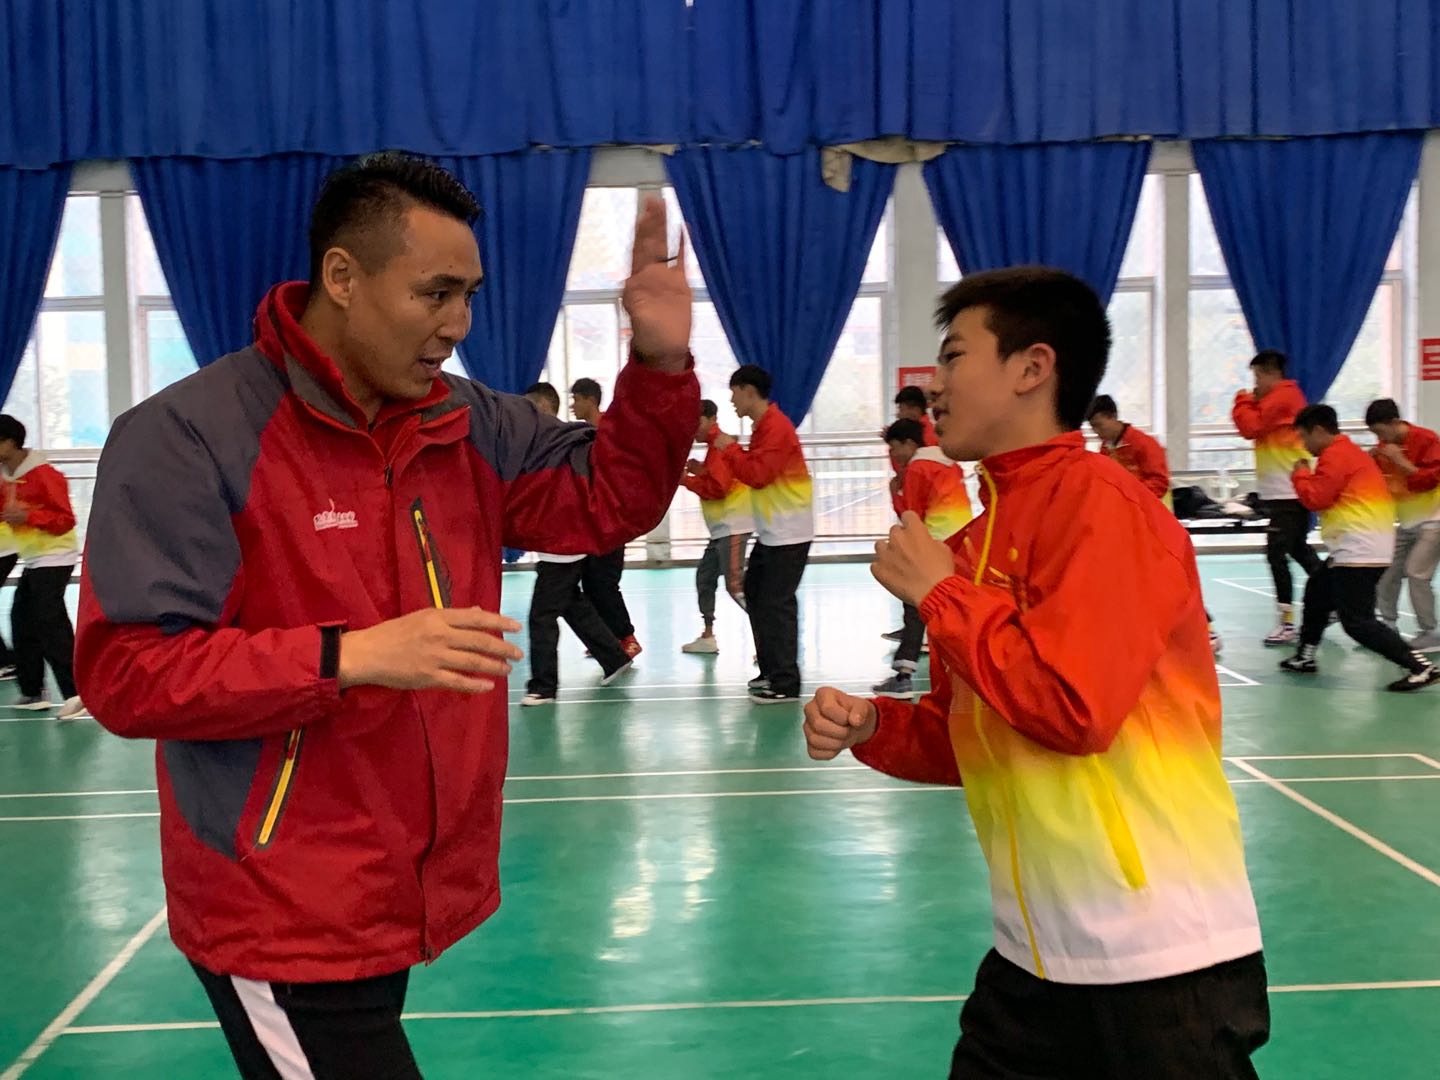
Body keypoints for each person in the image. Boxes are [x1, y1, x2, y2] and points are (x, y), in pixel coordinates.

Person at [75, 153, 699, 1078]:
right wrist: (349, 657)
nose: (458, 323)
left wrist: (660, 363)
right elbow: (129, 673)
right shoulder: (190, 439)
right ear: (342, 276)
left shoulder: (466, 423)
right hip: (279, 905)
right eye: (434, 293)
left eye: (469, 295)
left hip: (390, 886)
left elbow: (607, 499)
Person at [803, 268, 1268, 1078]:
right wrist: (875, 725)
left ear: (1032, 367)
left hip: (1158, 958)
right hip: (1036, 956)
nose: (934, 385)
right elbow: (982, 732)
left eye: (954, 356)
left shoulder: (1105, 509)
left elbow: (1073, 710)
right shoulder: (977, 540)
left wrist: (940, 595)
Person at [1281, 405, 1439, 691]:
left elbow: (1317, 498)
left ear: (1319, 431)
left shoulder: (1337, 455)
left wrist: (1300, 475)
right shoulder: (1346, 453)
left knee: (1357, 622)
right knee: (1317, 593)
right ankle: (1305, 656)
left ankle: (1420, 666)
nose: (1303, 445)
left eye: (1304, 437)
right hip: (1355, 544)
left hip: (1360, 548)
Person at [520, 382, 634, 705]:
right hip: (557, 540)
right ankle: (613, 656)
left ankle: (543, 686)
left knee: (542, 616)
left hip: (564, 541)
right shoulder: (542, 442)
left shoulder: (561, 443)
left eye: (529, 408)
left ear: (544, 407)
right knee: (570, 602)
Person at [1087, 394, 1222, 657]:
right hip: (1128, 526)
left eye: (1099, 425)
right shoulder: (1106, 449)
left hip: (1156, 526)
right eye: (1093, 428)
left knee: (1171, 581)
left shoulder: (1144, 444)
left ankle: (1207, 630)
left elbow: (1159, 482)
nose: (1097, 432)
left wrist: (1128, 496)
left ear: (1113, 417)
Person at [716, 365, 813, 704]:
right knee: (756, 595)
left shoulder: (776, 428)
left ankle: (785, 682)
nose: (732, 400)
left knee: (776, 604)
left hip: (789, 532)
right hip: (773, 531)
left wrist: (729, 449)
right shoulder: (763, 427)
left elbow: (758, 475)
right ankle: (771, 670)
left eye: (734, 393)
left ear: (748, 391)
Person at [871, 418, 971, 700]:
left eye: (894, 448)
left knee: (915, 608)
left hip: (935, 542)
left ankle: (903, 677)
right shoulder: (947, 461)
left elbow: (911, 515)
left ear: (909, 443)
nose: (894, 455)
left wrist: (895, 493)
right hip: (961, 541)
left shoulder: (917, 468)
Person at [1232, 350, 1321, 645]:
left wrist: (1242, 399)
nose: (1255, 383)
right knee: (1298, 550)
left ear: (1272, 373)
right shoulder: (1273, 399)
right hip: (1279, 491)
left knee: (1276, 553)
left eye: (1258, 376)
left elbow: (1250, 427)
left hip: (1289, 491)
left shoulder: (1284, 396)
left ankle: (1287, 622)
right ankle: (1332, 598)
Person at [0, 415, 84, 717]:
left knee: (51, 623)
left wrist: (29, 517)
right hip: (34, 558)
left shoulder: (45, 475)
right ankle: (33, 691)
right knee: (21, 619)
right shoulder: (6, 476)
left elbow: (66, 520)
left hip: (56, 556)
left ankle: (76, 693)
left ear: (10, 443)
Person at [570, 376, 643, 659]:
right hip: (592, 520)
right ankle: (608, 639)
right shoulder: (584, 434)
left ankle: (627, 637)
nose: (573, 406)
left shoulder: (608, 433)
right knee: (591, 580)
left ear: (591, 400)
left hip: (612, 520)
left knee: (604, 581)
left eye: (577, 399)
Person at [678, 399, 753, 655]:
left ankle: (768, 637)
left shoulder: (719, 446)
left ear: (711, 419)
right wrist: (700, 471)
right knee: (705, 576)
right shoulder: (714, 448)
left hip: (733, 525)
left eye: (696, 422)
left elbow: (718, 489)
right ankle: (708, 635)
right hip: (722, 528)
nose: (692, 429)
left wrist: (687, 481)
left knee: (736, 585)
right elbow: (719, 478)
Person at [1366, 397, 1440, 652]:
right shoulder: (1384, 448)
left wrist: (1401, 462)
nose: (1380, 438)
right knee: (1388, 571)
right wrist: (1370, 462)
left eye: (1381, 432)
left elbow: (1430, 479)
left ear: (1395, 422)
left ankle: (1430, 632)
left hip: (1434, 520)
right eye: (1375, 434)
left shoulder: (1427, 440)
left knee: (1417, 572)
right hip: (1406, 522)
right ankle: (1387, 625)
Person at [881, 386, 941, 639]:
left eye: (904, 408)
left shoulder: (924, 450)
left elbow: (912, 511)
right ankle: (914, 632)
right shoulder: (914, 440)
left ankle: (917, 636)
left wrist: (896, 492)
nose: (900, 413)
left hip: (929, 521)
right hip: (925, 514)